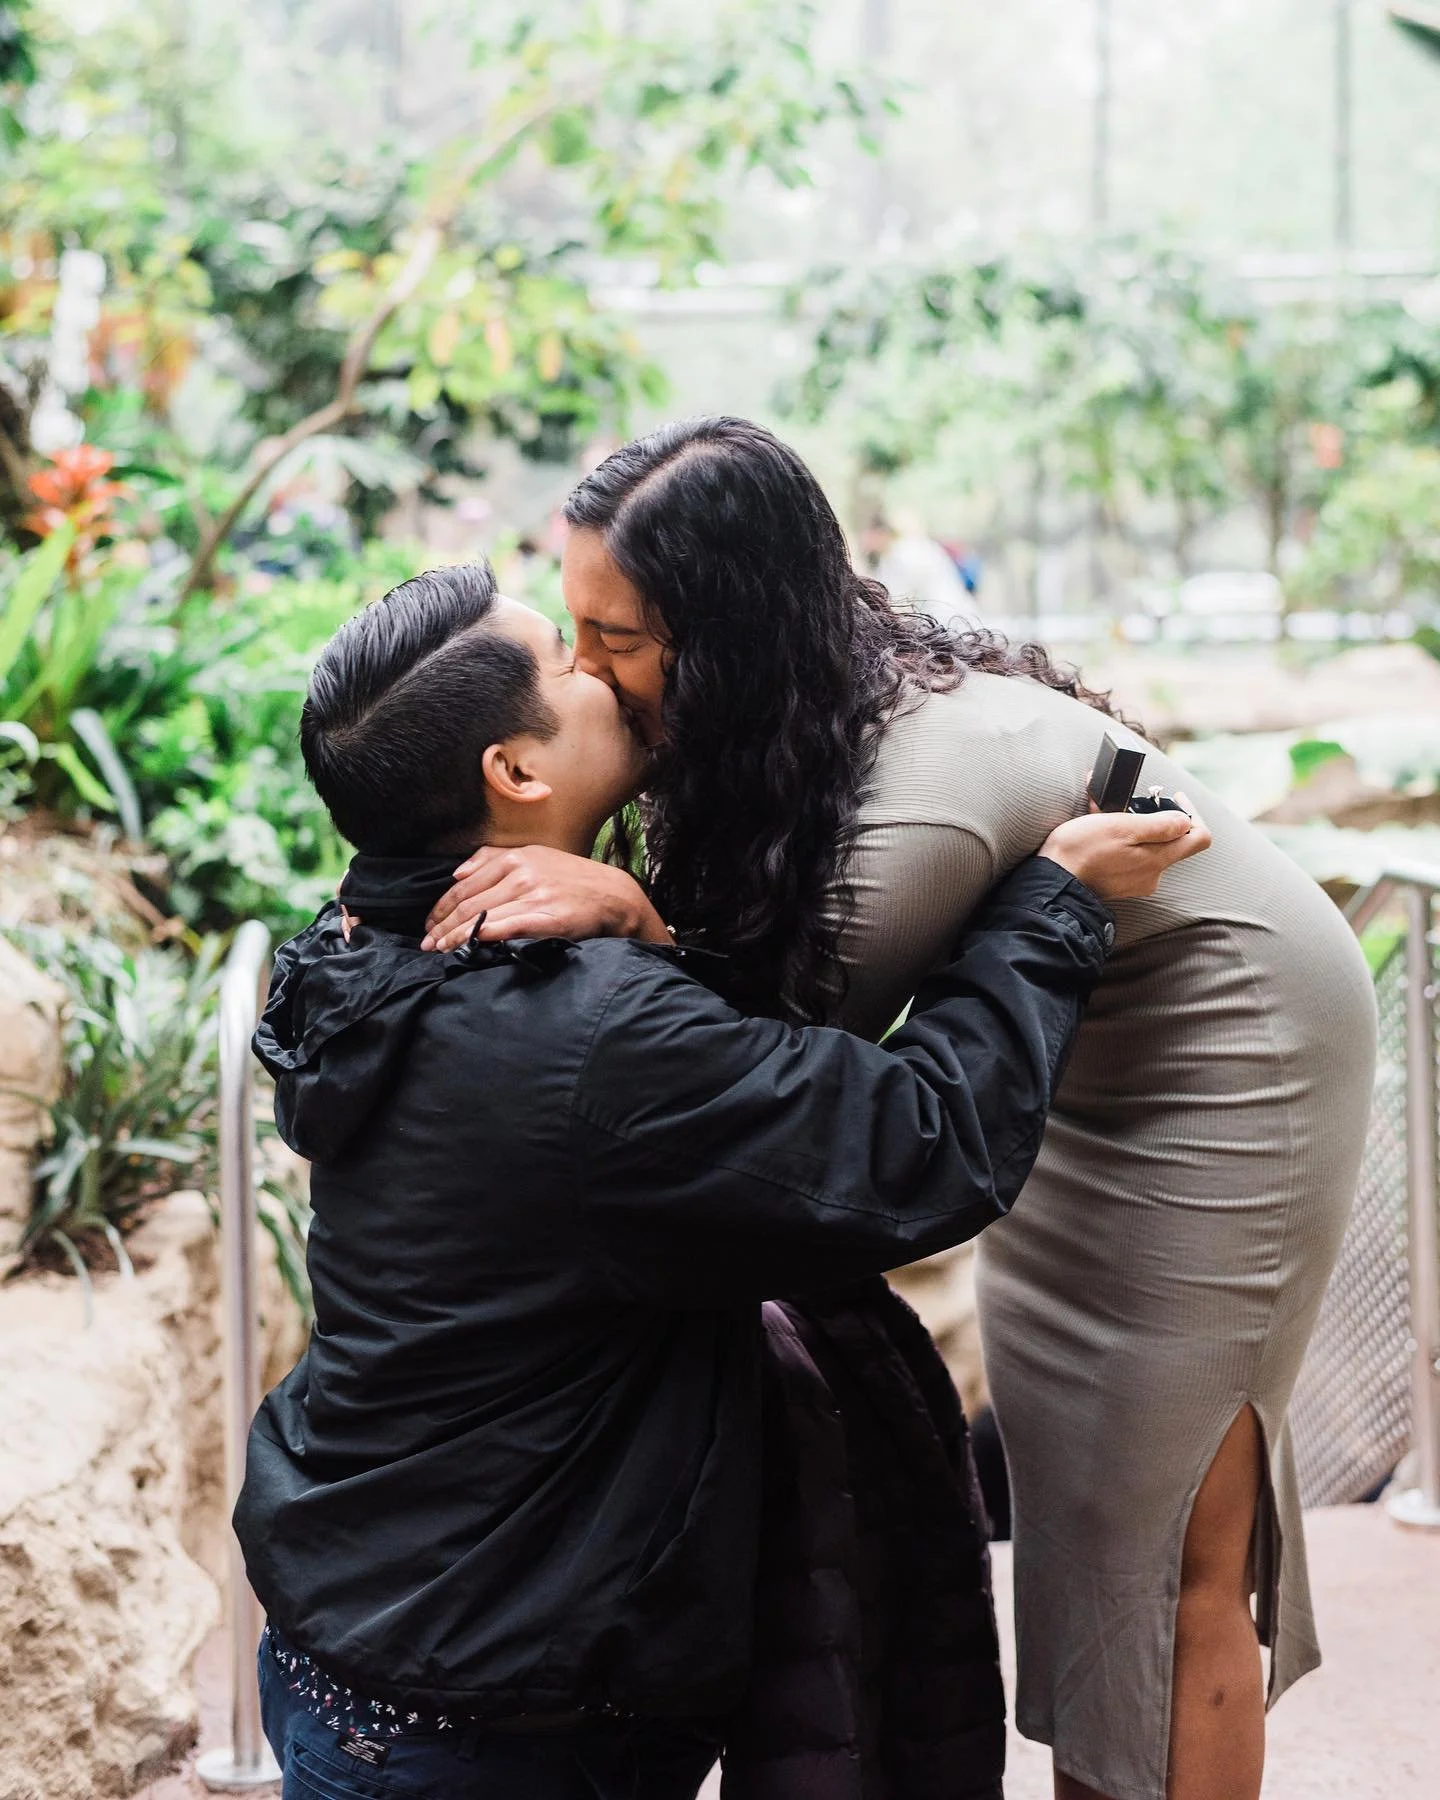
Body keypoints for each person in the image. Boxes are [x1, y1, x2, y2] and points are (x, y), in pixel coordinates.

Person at [424, 417, 1378, 1800]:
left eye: (613, 637)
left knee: (1176, 1549)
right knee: (1089, 1526)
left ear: (730, 632)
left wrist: (634, 915)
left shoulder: (914, 807)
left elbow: (769, 1081)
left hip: (1232, 1067)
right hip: (1083, 1072)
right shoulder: (804, 713)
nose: (583, 670)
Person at [236, 563, 1205, 1800]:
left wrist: (648, 934)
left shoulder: (361, 946)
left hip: (353, 1636)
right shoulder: (586, 1027)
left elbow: (610, 1119)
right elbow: (919, 1141)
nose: (606, 668)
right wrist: (1055, 905)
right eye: (568, 659)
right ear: (516, 773)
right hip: (495, 1712)